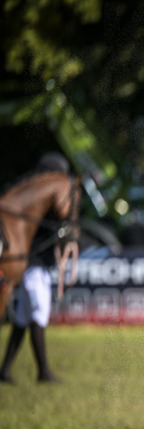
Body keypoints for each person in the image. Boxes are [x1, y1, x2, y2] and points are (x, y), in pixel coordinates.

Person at [0, 152, 70, 383]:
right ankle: (43, 371)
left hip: (36, 265)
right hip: (33, 265)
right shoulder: (34, 206)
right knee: (38, 312)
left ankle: (6, 370)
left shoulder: (41, 205)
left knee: (23, 317)